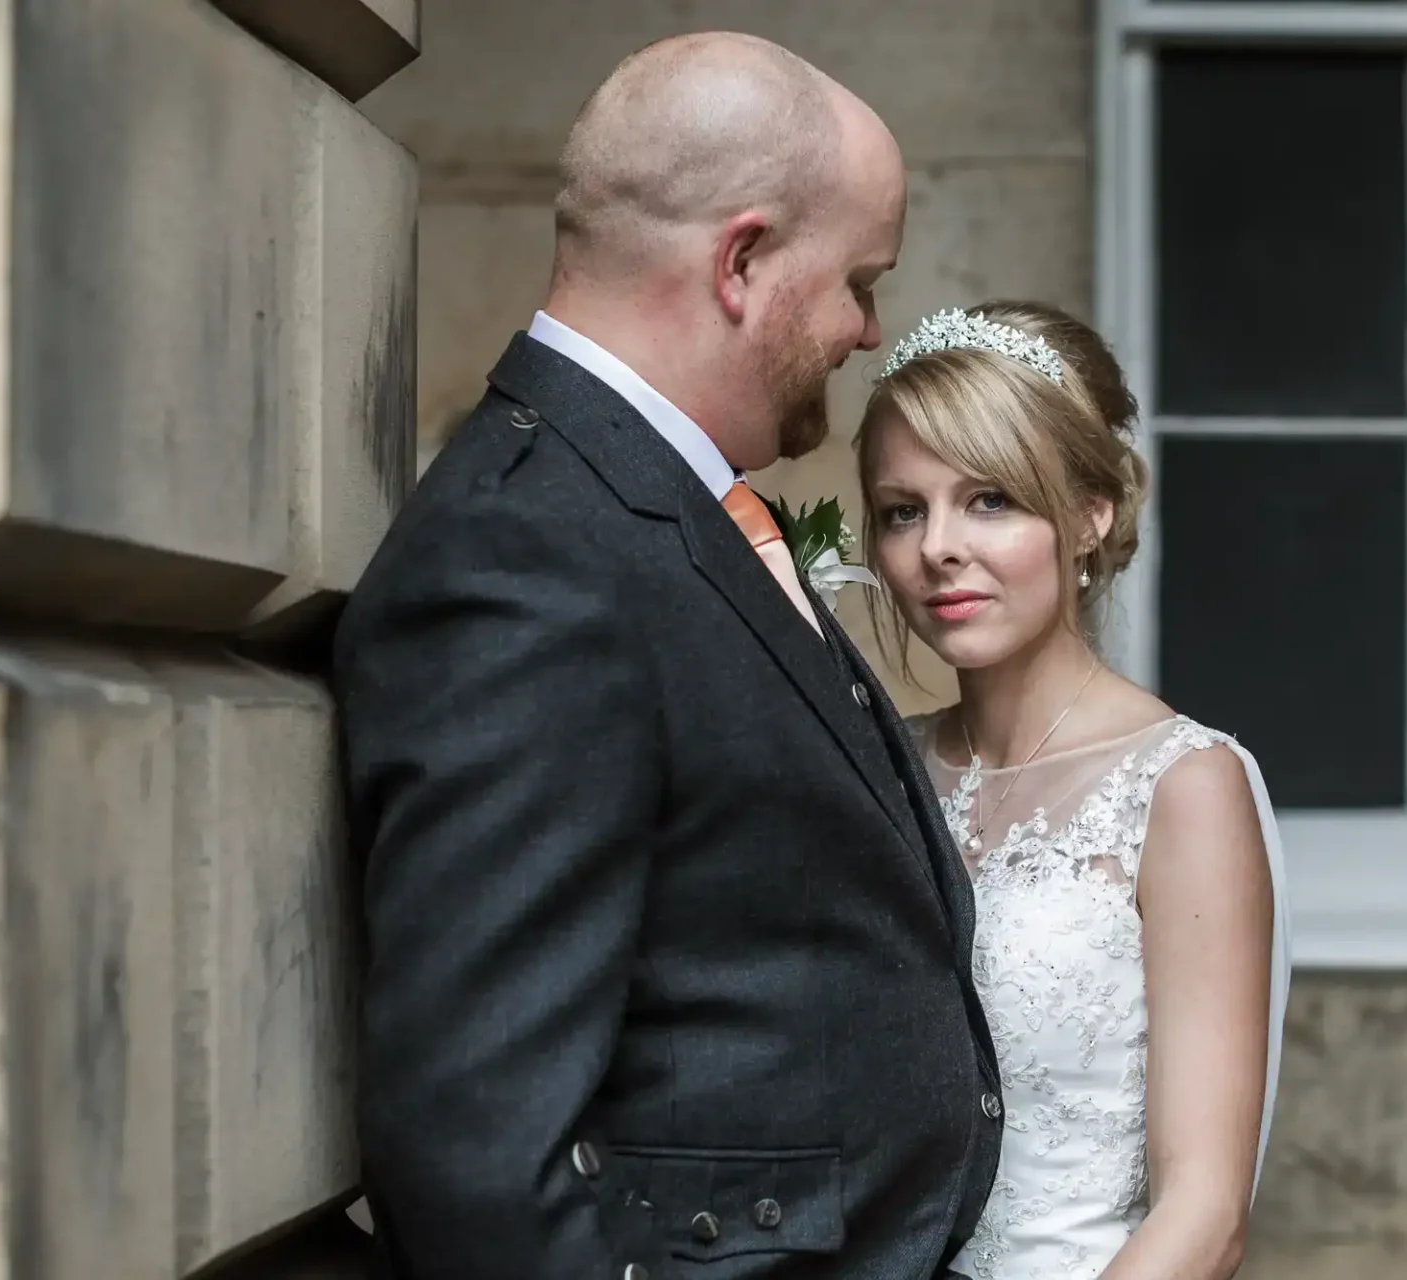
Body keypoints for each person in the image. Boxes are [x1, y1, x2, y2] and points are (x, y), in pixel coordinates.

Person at [331, 34, 1002, 1280]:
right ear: (742, 262)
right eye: (861, 282)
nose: (869, 333)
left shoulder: (653, 503)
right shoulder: (524, 555)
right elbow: (480, 1150)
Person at [856, 301, 1292, 1280]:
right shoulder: (878, 770)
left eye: (991, 498)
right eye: (902, 509)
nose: (938, 547)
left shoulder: (1183, 784)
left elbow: (1207, 1210)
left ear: (1090, 511)